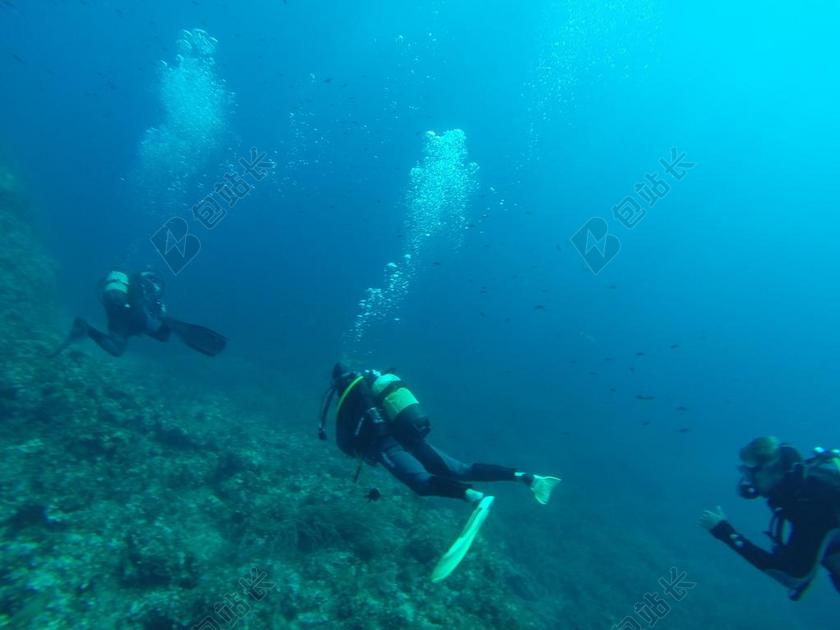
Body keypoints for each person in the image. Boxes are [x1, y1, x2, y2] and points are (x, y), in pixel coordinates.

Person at [319, 362, 561, 581]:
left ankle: (474, 497)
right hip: (410, 437)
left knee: (421, 483)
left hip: (386, 445)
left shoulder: (347, 397)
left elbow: (346, 444)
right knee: (462, 469)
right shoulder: (371, 384)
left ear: (337, 382)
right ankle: (527, 478)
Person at [700, 436, 840, 600]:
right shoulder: (808, 485)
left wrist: (724, 532)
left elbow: (793, 576)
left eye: (749, 473)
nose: (746, 482)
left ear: (769, 470)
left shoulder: (813, 505)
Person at [51, 270, 226, 358]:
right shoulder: (144, 284)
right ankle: (173, 326)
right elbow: (154, 305)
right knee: (163, 334)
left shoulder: (125, 285)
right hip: (135, 316)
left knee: (117, 349)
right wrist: (162, 317)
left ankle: (87, 329)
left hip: (116, 316)